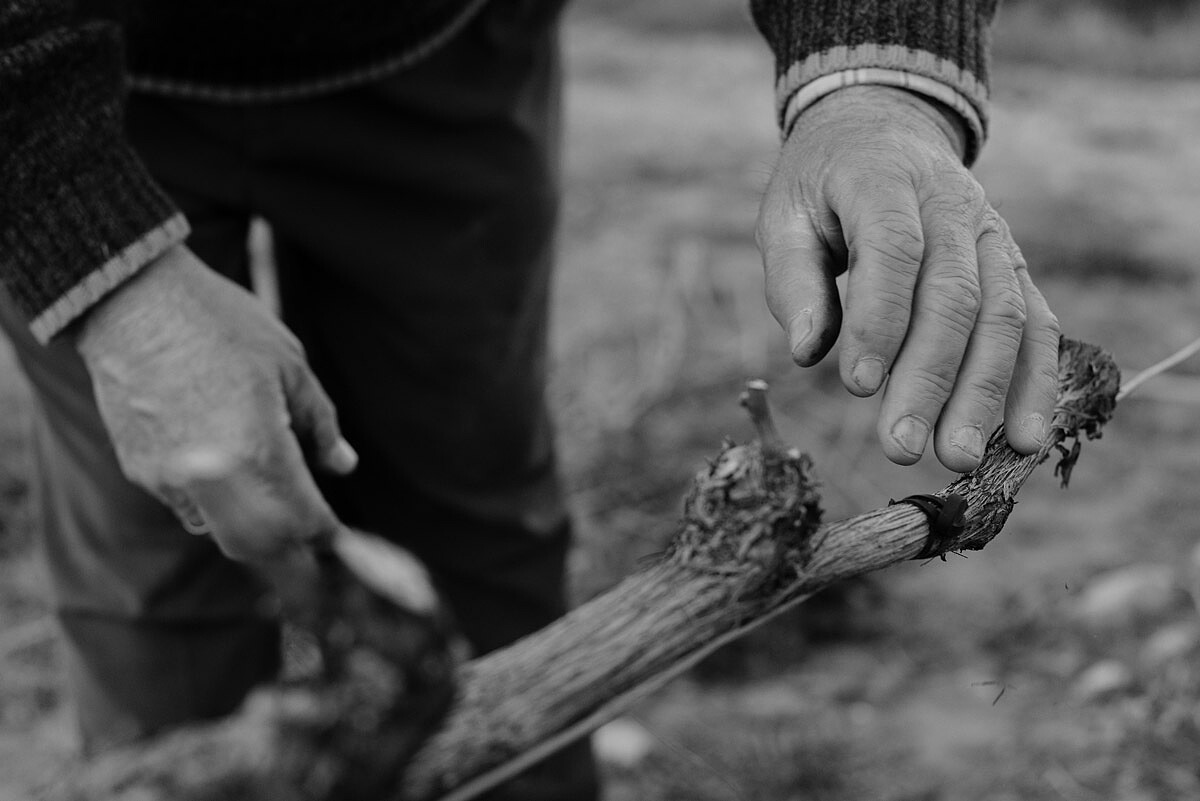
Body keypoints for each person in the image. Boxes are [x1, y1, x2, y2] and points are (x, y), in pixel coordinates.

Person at [0, 1, 1060, 798]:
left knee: (475, 515)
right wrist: (104, 275)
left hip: (442, 49)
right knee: (164, 564)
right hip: (56, 79)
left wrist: (877, 86)